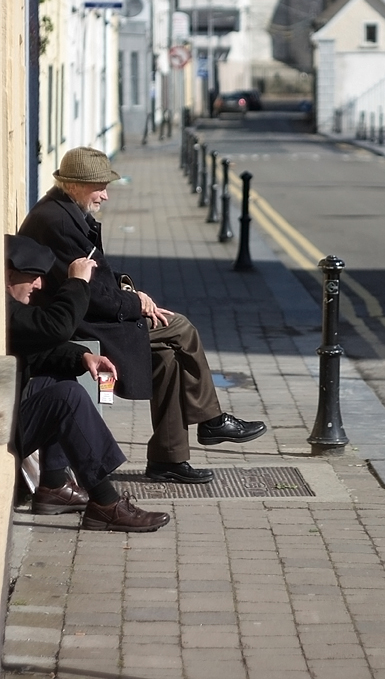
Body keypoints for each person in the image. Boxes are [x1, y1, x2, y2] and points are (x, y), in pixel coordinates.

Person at [19, 147, 267, 484]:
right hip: (75, 322)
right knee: (180, 328)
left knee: (167, 359)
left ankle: (169, 459)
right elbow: (88, 293)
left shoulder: (67, 210)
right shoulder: (58, 221)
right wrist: (134, 303)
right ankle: (212, 420)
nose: (105, 195)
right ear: (74, 185)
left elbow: (99, 274)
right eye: (99, 187)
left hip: (84, 311)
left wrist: (129, 291)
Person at [5, 234, 169, 532]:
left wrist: (82, 356)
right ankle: (105, 503)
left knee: (59, 374)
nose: (40, 285)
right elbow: (55, 327)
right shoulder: (5, 311)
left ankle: (53, 486)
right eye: (34, 277)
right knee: (67, 397)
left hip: (10, 415)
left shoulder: (9, 309)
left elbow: (35, 345)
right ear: (8, 275)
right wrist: (78, 282)